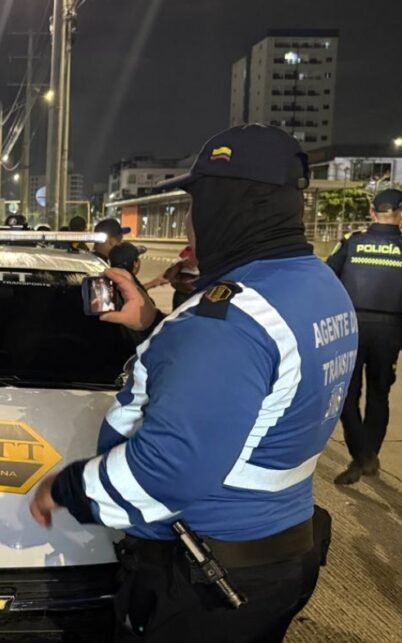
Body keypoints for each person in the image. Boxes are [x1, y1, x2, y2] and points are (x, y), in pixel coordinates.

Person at [30, 124, 353, 642]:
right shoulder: (317, 286)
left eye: (197, 201)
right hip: (279, 559)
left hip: (207, 584)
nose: (188, 218)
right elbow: (249, 384)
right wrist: (154, 323)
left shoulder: (225, 323)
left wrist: (64, 489)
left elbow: (167, 469)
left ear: (229, 204)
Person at [325, 188, 402, 485]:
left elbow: (325, 278)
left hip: (349, 329)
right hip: (388, 332)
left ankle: (361, 456)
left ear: (372, 212)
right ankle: (367, 456)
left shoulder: (352, 244)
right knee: (379, 396)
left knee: (347, 397)